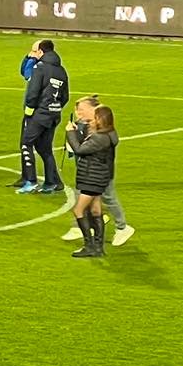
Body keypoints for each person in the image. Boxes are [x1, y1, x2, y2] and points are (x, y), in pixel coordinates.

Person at [63, 95, 136, 247]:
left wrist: (71, 135)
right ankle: (83, 229)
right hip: (89, 172)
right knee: (91, 202)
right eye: (77, 110)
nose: (79, 113)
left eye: (82, 109)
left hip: (99, 173)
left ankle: (122, 227)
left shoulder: (102, 132)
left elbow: (80, 149)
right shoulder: (85, 125)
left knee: (107, 198)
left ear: (94, 109)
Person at [16, 39, 70, 195]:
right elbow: (65, 96)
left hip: (39, 114)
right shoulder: (61, 70)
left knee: (26, 143)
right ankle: (50, 182)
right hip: (54, 114)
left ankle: (30, 181)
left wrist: (30, 109)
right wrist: (55, 108)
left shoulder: (40, 68)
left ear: (40, 52)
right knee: (45, 148)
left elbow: (33, 91)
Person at [68, 104, 119, 259]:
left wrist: (70, 133)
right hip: (99, 177)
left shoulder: (100, 138)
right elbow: (86, 144)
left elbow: (80, 150)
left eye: (95, 118)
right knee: (96, 210)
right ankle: (98, 247)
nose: (91, 121)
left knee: (78, 210)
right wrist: (79, 130)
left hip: (92, 178)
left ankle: (89, 245)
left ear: (101, 120)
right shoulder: (108, 134)